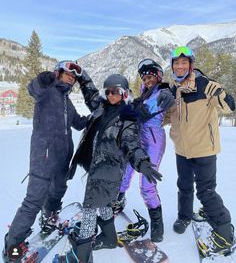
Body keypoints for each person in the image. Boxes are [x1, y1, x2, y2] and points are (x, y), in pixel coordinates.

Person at [56, 72, 162, 263]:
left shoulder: (128, 118)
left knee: (89, 210)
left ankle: (82, 255)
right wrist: (81, 76)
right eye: (109, 92)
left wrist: (142, 162)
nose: (112, 95)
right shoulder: (101, 106)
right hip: (96, 166)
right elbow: (90, 93)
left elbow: (131, 145)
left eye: (116, 91)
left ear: (124, 93)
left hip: (109, 170)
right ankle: (109, 238)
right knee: (104, 204)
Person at [3, 61, 89, 263]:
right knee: (33, 200)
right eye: (68, 74)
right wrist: (44, 79)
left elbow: (78, 124)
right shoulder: (47, 90)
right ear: (58, 73)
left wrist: (96, 116)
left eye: (73, 77)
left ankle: (49, 217)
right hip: (43, 157)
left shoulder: (66, 100)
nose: (71, 78)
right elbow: (33, 88)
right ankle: (12, 247)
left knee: (58, 190)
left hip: (62, 157)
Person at [157, 46, 235, 255]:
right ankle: (184, 217)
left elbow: (229, 107)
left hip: (204, 149)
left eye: (184, 63)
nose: (180, 66)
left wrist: (220, 93)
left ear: (190, 65)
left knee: (206, 191)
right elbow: (165, 118)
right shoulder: (173, 91)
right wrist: (149, 120)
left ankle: (224, 229)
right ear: (172, 66)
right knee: (184, 187)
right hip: (182, 150)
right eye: (176, 63)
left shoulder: (204, 85)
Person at [115, 59, 171, 243]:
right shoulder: (143, 92)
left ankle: (157, 223)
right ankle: (117, 201)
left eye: (150, 77)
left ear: (158, 77)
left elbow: (168, 96)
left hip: (154, 139)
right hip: (137, 137)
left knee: (147, 184)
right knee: (125, 173)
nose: (147, 80)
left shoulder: (163, 91)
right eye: (144, 77)